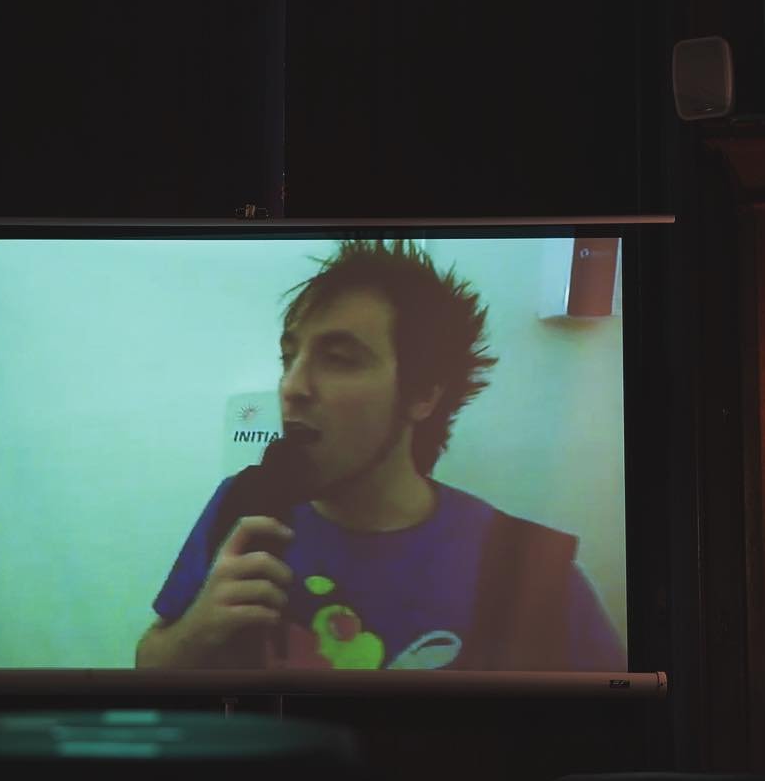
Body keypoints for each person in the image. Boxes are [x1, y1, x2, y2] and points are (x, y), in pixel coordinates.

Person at [135, 240, 625, 670]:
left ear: (423, 394)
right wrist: (197, 631)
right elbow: (148, 664)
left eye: (339, 359)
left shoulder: (528, 572)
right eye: (289, 358)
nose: (292, 387)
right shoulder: (240, 507)